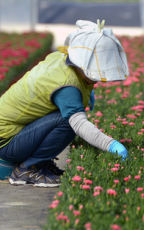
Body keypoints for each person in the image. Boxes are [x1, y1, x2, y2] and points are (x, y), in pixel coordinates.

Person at [0, 20, 129, 187]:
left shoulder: (62, 59)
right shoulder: (67, 86)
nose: (98, 79)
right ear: (82, 64)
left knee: (65, 115)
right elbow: (79, 124)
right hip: (6, 142)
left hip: (11, 133)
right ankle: (27, 169)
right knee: (68, 121)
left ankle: (40, 162)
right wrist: (111, 145)